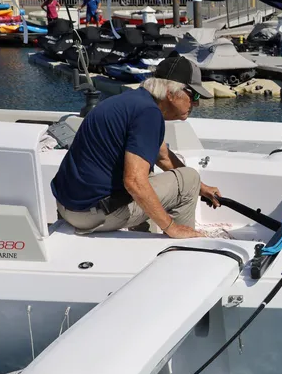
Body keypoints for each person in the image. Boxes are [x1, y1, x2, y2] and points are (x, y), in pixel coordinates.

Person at [51, 55, 219, 238]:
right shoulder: (149, 114)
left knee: (148, 172)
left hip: (67, 206)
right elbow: (134, 182)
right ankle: (184, 246)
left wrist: (202, 188)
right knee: (189, 180)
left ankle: (142, 236)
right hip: (92, 215)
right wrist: (172, 227)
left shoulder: (133, 102)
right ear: (171, 93)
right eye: (193, 95)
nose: (196, 103)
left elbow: (163, 156)